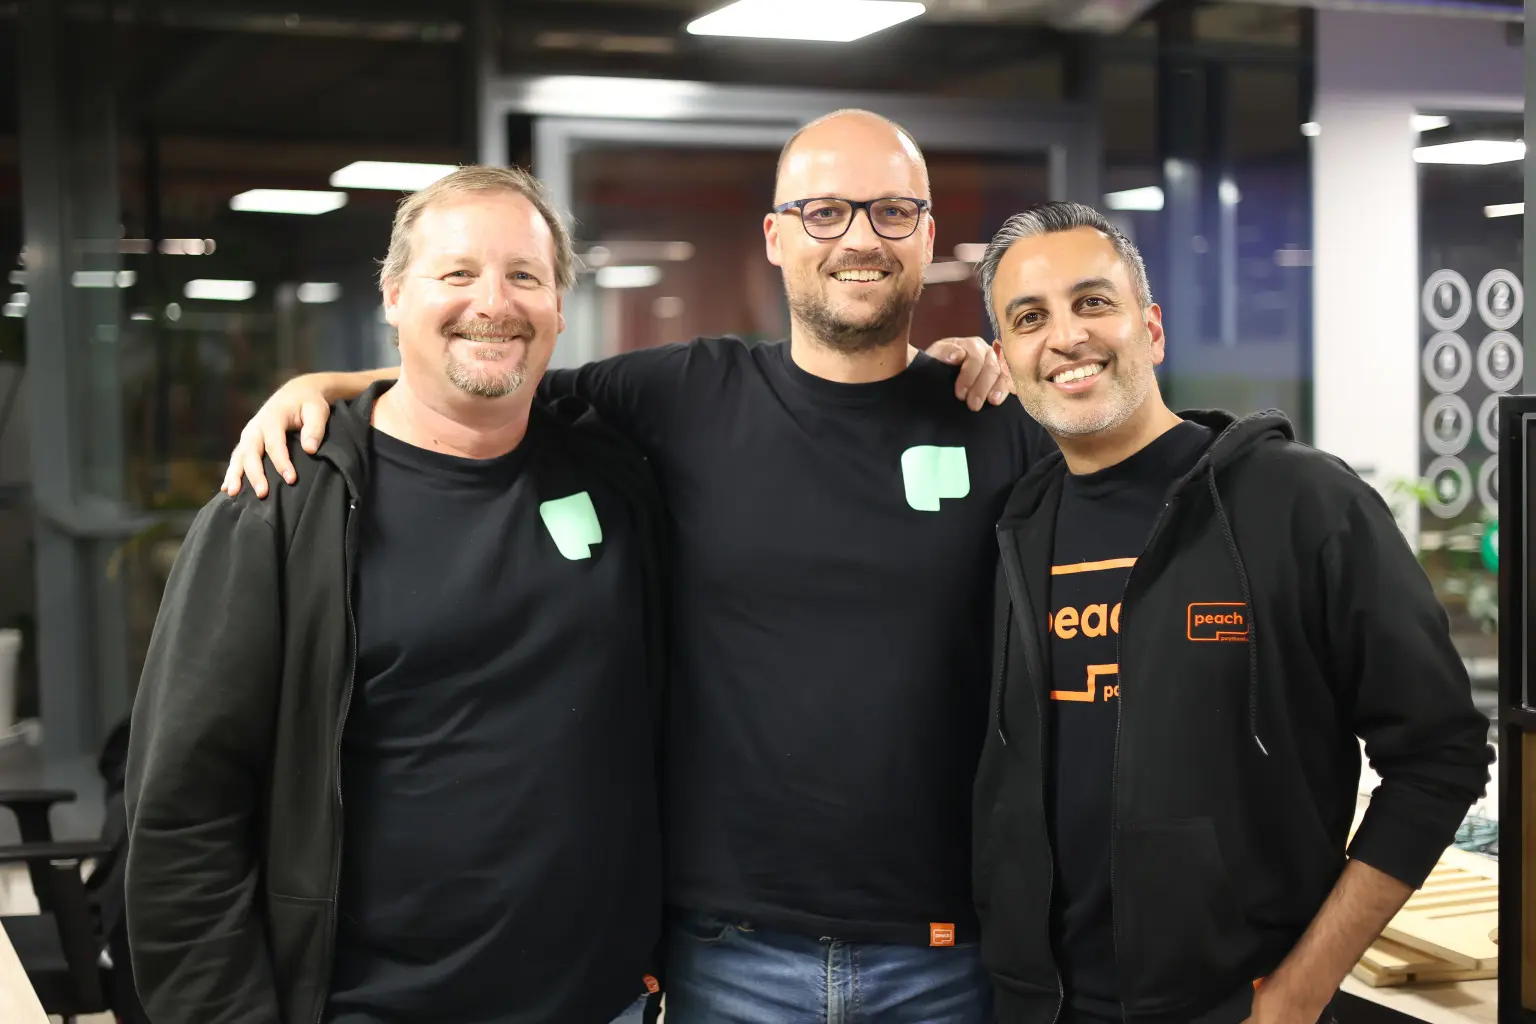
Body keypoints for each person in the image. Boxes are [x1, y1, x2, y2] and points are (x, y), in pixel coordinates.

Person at [221, 110, 1047, 1022]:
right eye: (824, 212)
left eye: (892, 211)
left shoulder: (992, 420)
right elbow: (487, 377)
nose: (859, 237)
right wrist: (326, 387)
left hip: (946, 958)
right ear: (775, 236)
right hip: (727, 957)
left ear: (927, 235)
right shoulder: (681, 396)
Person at [125, 166, 668, 1024]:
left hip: (602, 1005)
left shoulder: (615, 472)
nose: (493, 301)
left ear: (559, 305)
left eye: (524, 276)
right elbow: (183, 814)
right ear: (393, 295)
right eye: (457, 273)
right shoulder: (281, 507)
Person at [971, 201, 1493, 1024]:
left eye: (1093, 302)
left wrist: (1301, 990)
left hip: (1236, 1008)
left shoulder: (1301, 504)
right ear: (1005, 358)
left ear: (1152, 330)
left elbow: (1441, 756)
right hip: (1036, 1007)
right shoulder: (1014, 529)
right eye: (1029, 318)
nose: (1065, 336)